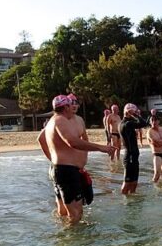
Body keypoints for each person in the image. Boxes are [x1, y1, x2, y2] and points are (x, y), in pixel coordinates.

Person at [38, 94, 115, 223]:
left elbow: (79, 141)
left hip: (65, 170)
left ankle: (63, 232)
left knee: (64, 212)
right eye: (70, 105)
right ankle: (71, 235)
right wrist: (101, 148)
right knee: (76, 214)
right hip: (66, 171)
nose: (73, 107)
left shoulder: (56, 120)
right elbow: (72, 142)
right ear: (65, 107)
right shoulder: (60, 120)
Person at [119, 103, 149, 194]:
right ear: (128, 113)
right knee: (127, 183)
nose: (136, 113)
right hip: (129, 157)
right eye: (134, 112)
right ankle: (124, 200)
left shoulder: (128, 123)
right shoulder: (126, 124)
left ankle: (132, 201)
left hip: (134, 156)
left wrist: (134, 114)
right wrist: (135, 115)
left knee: (134, 183)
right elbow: (144, 123)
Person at [147, 115, 162, 182]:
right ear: (150, 122)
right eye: (152, 120)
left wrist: (161, 142)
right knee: (157, 175)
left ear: (158, 121)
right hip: (157, 154)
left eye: (155, 120)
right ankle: (153, 187)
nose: (153, 122)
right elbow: (156, 144)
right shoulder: (150, 132)